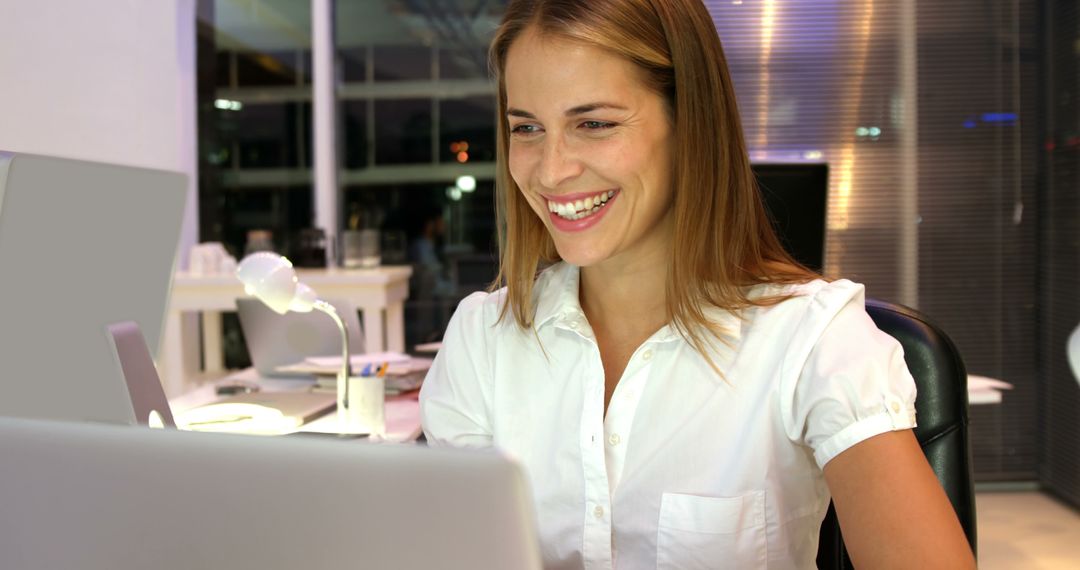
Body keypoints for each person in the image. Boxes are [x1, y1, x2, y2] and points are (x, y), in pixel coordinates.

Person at [420, 0, 976, 568]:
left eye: (595, 124)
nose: (550, 169)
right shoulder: (483, 339)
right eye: (528, 128)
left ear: (691, 124)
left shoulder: (814, 341)